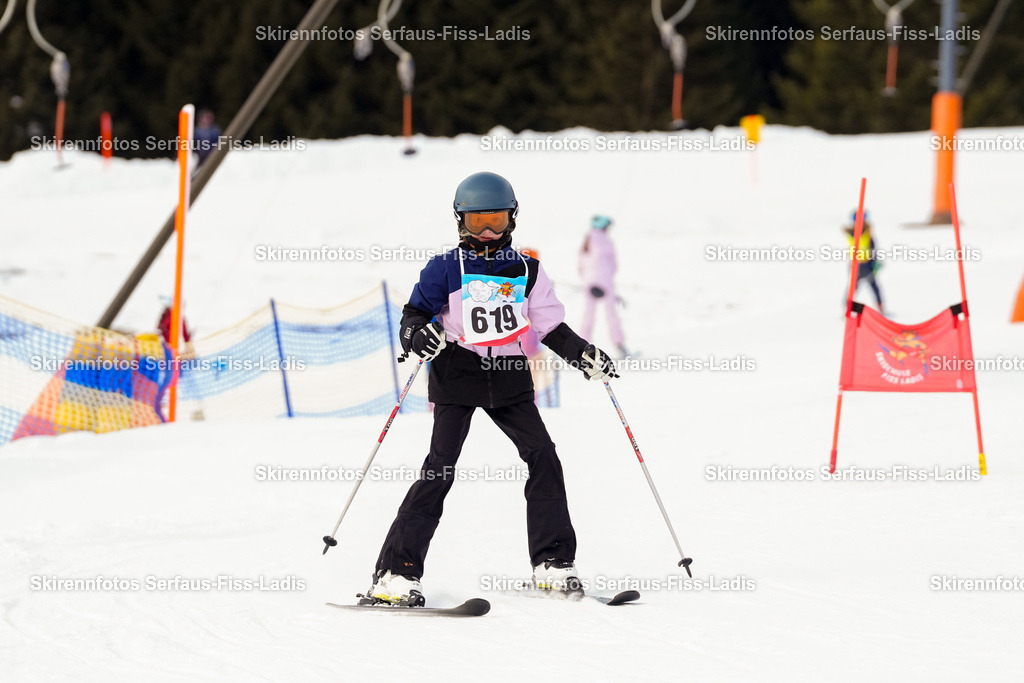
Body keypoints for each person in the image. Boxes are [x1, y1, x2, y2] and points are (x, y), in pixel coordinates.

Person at [367, 172, 618, 606]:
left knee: (543, 456)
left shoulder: (527, 270)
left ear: (512, 220)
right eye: (478, 220)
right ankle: (395, 573)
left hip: (508, 376)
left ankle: (553, 563)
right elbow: (413, 315)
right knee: (440, 467)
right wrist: (418, 336)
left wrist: (583, 354)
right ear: (460, 221)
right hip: (457, 373)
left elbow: (549, 325)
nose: (488, 231)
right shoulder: (445, 268)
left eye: (497, 220)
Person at [579, 215, 628, 357]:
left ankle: (583, 347)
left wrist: (588, 278)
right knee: (611, 314)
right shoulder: (606, 241)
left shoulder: (586, 241)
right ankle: (620, 345)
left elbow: (581, 266)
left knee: (588, 315)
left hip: (589, 283)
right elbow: (613, 264)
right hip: (605, 281)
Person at [843, 210, 885, 313]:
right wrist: (875, 261)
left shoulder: (850, 233)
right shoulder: (866, 233)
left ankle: (847, 307)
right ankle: (879, 306)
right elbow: (872, 248)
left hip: (854, 264)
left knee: (853, 288)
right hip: (865, 264)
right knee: (873, 286)